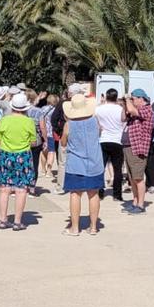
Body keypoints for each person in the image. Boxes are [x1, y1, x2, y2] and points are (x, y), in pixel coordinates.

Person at [60, 92, 102, 236]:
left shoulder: (69, 124)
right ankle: (94, 226)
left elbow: (63, 142)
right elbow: (99, 134)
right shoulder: (95, 121)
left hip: (76, 163)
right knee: (93, 193)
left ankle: (75, 227)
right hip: (95, 161)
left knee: (75, 194)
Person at [0, 94, 37, 231]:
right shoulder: (29, 121)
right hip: (23, 156)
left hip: (5, 155)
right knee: (21, 190)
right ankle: (17, 222)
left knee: (4, 189)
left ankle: (3, 220)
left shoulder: (5, 120)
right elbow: (33, 141)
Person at [122, 89, 154, 214]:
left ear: (141, 99)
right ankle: (135, 201)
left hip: (138, 147)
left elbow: (132, 110)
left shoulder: (146, 109)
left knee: (138, 178)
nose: (132, 101)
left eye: (133, 98)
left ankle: (141, 205)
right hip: (129, 146)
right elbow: (123, 118)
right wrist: (124, 104)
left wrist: (127, 100)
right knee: (132, 178)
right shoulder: (134, 110)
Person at [95, 88, 127, 202]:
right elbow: (124, 121)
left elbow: (96, 121)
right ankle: (117, 195)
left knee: (100, 168)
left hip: (103, 139)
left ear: (106, 96)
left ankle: (99, 192)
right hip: (117, 140)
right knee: (117, 169)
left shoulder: (99, 109)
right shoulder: (120, 109)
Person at [25, 90, 50, 195]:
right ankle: (32, 188)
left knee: (24, 163)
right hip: (36, 139)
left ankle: (22, 186)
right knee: (34, 164)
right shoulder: (38, 112)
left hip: (22, 139)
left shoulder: (20, 111)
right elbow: (42, 127)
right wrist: (46, 140)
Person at [41, 94, 60, 181]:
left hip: (42, 133)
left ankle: (43, 169)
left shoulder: (43, 109)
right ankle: (49, 171)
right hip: (52, 133)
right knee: (51, 152)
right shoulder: (55, 110)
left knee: (44, 151)